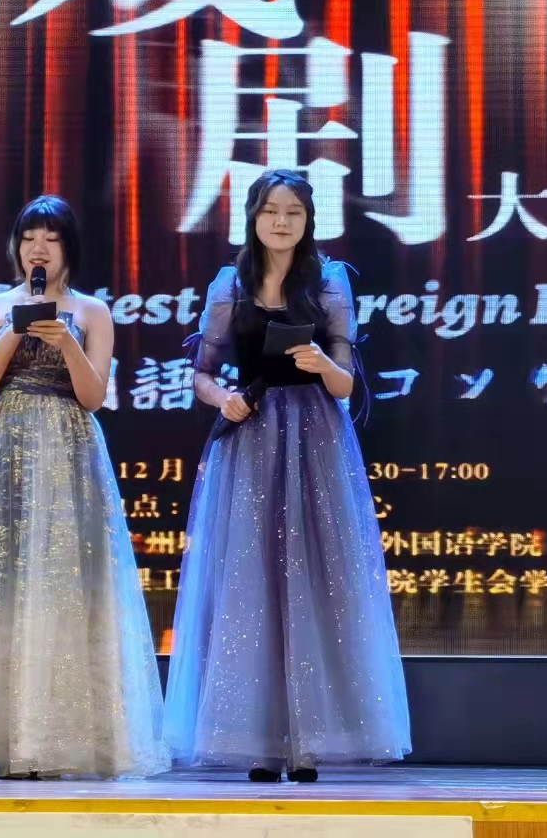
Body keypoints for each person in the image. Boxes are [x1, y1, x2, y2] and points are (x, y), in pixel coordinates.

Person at [0, 195, 169, 780]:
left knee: (68, 588)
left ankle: (61, 738)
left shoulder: (92, 311)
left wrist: (66, 341)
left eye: (51, 238)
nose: (38, 249)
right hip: (2, 450)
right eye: (28, 238)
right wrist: (13, 333)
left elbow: (93, 397)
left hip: (70, 450)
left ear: (69, 248)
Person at [163, 170, 411, 782]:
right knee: (250, 583)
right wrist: (223, 399)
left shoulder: (328, 281)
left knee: (316, 582)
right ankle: (257, 740)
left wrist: (322, 361)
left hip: (317, 439)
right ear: (253, 216)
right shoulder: (230, 283)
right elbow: (202, 373)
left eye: (293, 212)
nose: (281, 221)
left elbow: (346, 384)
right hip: (248, 436)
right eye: (271, 210)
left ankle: (308, 742)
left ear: (308, 220)